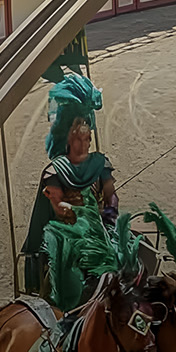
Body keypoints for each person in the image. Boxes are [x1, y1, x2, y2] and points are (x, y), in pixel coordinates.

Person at [21, 74, 115, 298]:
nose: (84, 144)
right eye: (78, 139)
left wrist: (108, 213)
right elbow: (57, 206)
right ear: (67, 139)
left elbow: (112, 196)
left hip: (101, 232)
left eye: (87, 139)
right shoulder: (54, 171)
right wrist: (82, 213)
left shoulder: (100, 164)